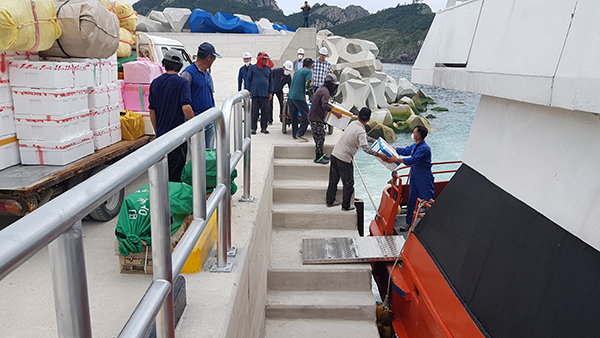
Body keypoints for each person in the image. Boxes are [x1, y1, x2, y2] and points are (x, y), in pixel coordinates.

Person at [326, 108, 390, 211]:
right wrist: (380, 155)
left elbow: (363, 136)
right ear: (368, 120)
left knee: (334, 180)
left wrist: (373, 140)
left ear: (358, 115)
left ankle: (330, 201)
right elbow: (366, 149)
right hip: (344, 159)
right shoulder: (361, 130)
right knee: (348, 183)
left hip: (335, 154)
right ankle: (346, 206)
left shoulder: (353, 124)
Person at [148, 49, 194, 182]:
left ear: (164, 64)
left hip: (161, 137)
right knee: (175, 176)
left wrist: (157, 131)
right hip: (177, 138)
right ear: (180, 66)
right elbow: (186, 107)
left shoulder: (155, 83)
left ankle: (162, 201)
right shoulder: (182, 83)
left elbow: (152, 111)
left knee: (162, 175)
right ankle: (172, 201)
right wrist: (196, 124)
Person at [387, 125, 435, 231]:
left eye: (414, 132)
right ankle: (409, 223)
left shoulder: (424, 148)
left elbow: (412, 160)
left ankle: (434, 223)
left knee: (429, 200)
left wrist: (396, 159)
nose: (412, 134)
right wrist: (391, 148)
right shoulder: (415, 146)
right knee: (412, 200)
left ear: (418, 136)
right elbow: (405, 151)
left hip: (424, 178)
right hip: (414, 177)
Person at [181, 42, 221, 148]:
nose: (213, 61)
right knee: (197, 155)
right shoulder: (188, 74)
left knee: (209, 154)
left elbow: (210, 95)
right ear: (209, 58)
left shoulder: (207, 74)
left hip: (209, 120)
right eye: (214, 58)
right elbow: (182, 99)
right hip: (196, 121)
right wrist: (190, 119)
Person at [308, 73, 339, 164]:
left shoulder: (321, 89)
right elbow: (325, 105)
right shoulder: (325, 91)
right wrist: (335, 113)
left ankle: (321, 154)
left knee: (321, 137)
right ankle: (318, 157)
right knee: (319, 138)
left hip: (316, 117)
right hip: (315, 118)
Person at [247, 52, 273, 134]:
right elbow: (248, 79)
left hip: (265, 94)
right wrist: (249, 90)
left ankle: (264, 128)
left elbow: (271, 81)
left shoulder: (268, 69)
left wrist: (271, 92)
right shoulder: (253, 68)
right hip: (255, 93)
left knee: (265, 112)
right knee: (254, 112)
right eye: (264, 59)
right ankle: (253, 128)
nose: (266, 61)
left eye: (266, 59)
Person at [288, 58, 313, 141]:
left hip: (290, 96)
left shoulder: (297, 71)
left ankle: (294, 134)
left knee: (294, 116)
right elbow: (308, 84)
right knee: (307, 116)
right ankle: (300, 133)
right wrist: (313, 94)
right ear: (311, 66)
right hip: (299, 97)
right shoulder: (309, 72)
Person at [269, 60, 293, 126]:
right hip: (271, 89)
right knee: (269, 104)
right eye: (287, 69)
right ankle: (270, 120)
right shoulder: (276, 71)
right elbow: (269, 78)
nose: (287, 71)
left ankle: (282, 118)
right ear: (283, 67)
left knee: (282, 103)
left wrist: (291, 94)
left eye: (289, 70)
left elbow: (290, 86)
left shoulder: (288, 76)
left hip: (279, 90)